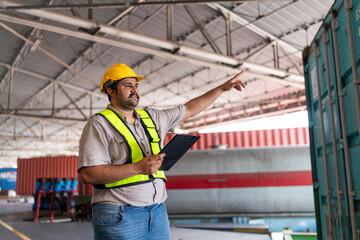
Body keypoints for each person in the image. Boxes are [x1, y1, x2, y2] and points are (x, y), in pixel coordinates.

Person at [78, 63, 245, 240]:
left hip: (157, 210)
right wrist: (137, 168)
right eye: (128, 85)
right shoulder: (99, 124)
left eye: (136, 85)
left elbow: (188, 109)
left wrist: (222, 89)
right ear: (111, 91)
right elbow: (89, 174)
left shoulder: (153, 117)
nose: (135, 90)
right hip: (119, 213)